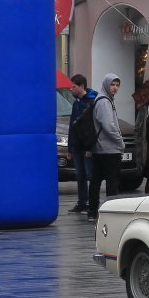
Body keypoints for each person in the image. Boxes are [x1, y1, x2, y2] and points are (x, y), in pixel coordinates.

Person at [86, 74, 124, 220]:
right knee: (111, 182)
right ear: (106, 85)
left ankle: (93, 211)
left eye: (117, 85)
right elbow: (109, 126)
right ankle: (110, 213)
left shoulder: (105, 99)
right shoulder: (104, 101)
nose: (115, 88)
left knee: (96, 181)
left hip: (101, 148)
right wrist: (120, 143)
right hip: (108, 149)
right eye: (112, 84)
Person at [66, 74, 97, 214]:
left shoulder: (91, 102)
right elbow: (72, 126)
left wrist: (91, 147)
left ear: (81, 86)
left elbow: (93, 126)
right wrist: (70, 147)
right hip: (77, 145)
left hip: (87, 145)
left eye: (74, 86)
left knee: (90, 174)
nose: (71, 89)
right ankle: (82, 201)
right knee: (80, 175)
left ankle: (92, 202)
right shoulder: (76, 103)